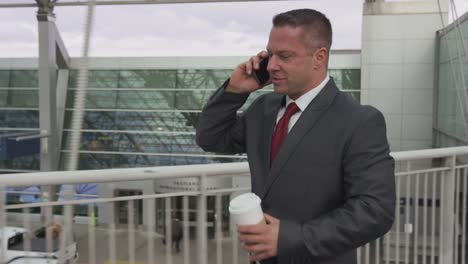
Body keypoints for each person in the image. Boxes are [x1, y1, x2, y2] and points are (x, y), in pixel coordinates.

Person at [196, 8, 395, 264]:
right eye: (270, 54)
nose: (272, 65)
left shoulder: (359, 121)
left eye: (285, 56)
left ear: (319, 57)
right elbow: (210, 138)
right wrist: (234, 91)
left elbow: (375, 211)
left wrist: (290, 238)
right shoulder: (263, 109)